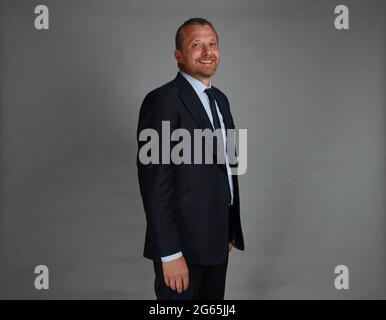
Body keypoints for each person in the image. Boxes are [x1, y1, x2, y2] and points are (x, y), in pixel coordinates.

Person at [137, 18, 245, 300]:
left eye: (212, 44)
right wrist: (169, 253)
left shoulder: (220, 100)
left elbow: (227, 165)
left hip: (217, 240)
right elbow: (155, 185)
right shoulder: (162, 101)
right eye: (196, 45)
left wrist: (230, 227)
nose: (207, 51)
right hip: (180, 247)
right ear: (179, 56)